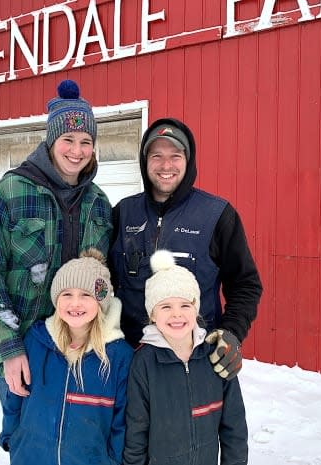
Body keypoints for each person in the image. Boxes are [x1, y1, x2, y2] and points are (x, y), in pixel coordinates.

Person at [0, 79, 113, 452]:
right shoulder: (10, 191)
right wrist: (9, 347)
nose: (77, 150)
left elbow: (102, 281)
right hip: (23, 347)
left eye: (86, 142)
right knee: (28, 441)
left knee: (71, 444)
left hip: (78, 346)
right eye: (68, 140)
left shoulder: (98, 203)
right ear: (51, 141)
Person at [109, 117, 262, 380]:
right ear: (145, 162)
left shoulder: (216, 215)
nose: (166, 165)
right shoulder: (123, 214)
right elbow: (102, 279)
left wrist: (231, 332)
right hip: (130, 362)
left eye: (175, 156)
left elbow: (245, 284)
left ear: (188, 161)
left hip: (194, 362)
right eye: (156, 156)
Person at [6, 249, 133, 465]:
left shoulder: (119, 355)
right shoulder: (37, 341)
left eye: (85, 295)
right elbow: (16, 396)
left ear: (101, 301)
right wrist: (11, 438)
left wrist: (113, 459)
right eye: (67, 294)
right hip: (31, 457)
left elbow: (122, 420)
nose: (75, 303)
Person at [123, 250, 248, 465]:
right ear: (152, 314)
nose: (177, 314)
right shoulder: (143, 362)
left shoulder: (215, 354)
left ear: (196, 308)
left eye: (184, 305)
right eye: (166, 307)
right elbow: (136, 432)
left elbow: (234, 427)